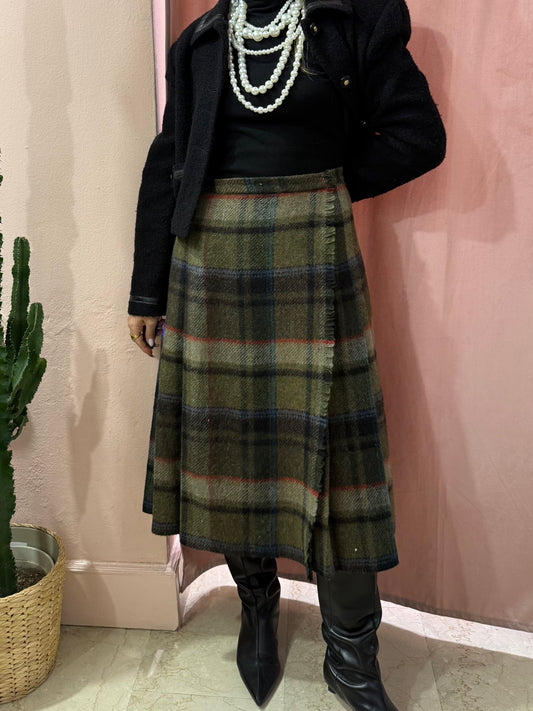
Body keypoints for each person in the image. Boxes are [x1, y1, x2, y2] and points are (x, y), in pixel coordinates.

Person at [128, 0, 446, 707]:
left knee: (338, 463)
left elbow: (417, 134)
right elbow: (169, 162)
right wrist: (146, 290)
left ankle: (351, 657)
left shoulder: (356, 18)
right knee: (231, 448)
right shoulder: (201, 40)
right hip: (210, 263)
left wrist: (326, 189)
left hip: (315, 251)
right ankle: (258, 609)